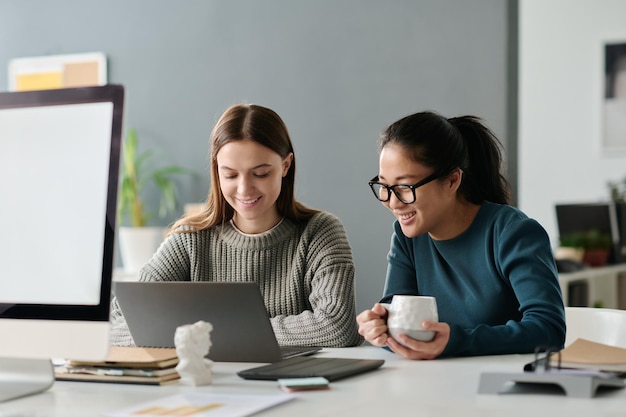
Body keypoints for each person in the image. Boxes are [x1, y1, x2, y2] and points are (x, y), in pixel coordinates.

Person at [111, 103, 363, 348]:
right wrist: (229, 333)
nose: (244, 189)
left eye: (260, 173)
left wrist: (206, 332)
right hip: (211, 386)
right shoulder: (190, 240)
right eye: (230, 175)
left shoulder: (320, 232)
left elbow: (336, 327)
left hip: (292, 387)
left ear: (285, 166)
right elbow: (115, 322)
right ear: (216, 170)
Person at [356, 110, 565, 360]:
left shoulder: (512, 232)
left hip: (504, 386)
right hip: (432, 385)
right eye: (385, 187)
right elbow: (396, 316)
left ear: (453, 180)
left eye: (404, 187)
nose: (393, 202)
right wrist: (381, 328)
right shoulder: (406, 237)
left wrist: (456, 341)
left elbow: (549, 328)